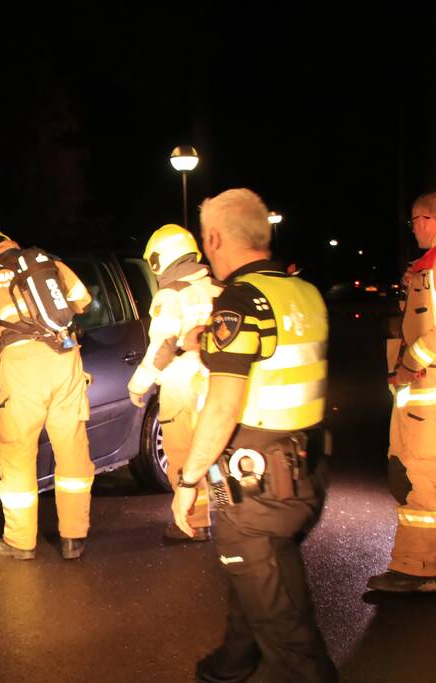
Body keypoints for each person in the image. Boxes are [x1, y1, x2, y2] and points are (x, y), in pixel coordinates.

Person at [170, 189, 337, 682]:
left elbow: (223, 406)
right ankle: (235, 661)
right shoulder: (303, 292)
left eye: (207, 240)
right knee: (254, 575)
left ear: (216, 238)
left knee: (289, 631)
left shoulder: (241, 302)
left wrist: (188, 482)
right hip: (305, 468)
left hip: (258, 484)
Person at [0, 225, 94, 560]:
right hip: (66, 359)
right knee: (72, 450)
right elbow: (83, 301)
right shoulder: (47, 261)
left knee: (17, 454)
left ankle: (20, 541)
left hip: (21, 368)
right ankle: (74, 537)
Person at [128, 224, 221, 542]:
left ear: (161, 258)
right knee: (211, 448)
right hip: (215, 381)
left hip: (181, 383)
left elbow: (162, 347)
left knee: (181, 451)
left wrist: (139, 384)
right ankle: (224, 515)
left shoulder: (170, 295)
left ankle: (192, 523)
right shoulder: (215, 289)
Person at [369, 191, 436, 592]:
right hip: (419, 396)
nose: (411, 227)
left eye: (415, 219)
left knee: (420, 475)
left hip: (427, 396)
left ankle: (418, 567)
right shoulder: (425, 269)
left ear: (430, 219)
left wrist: (412, 360)